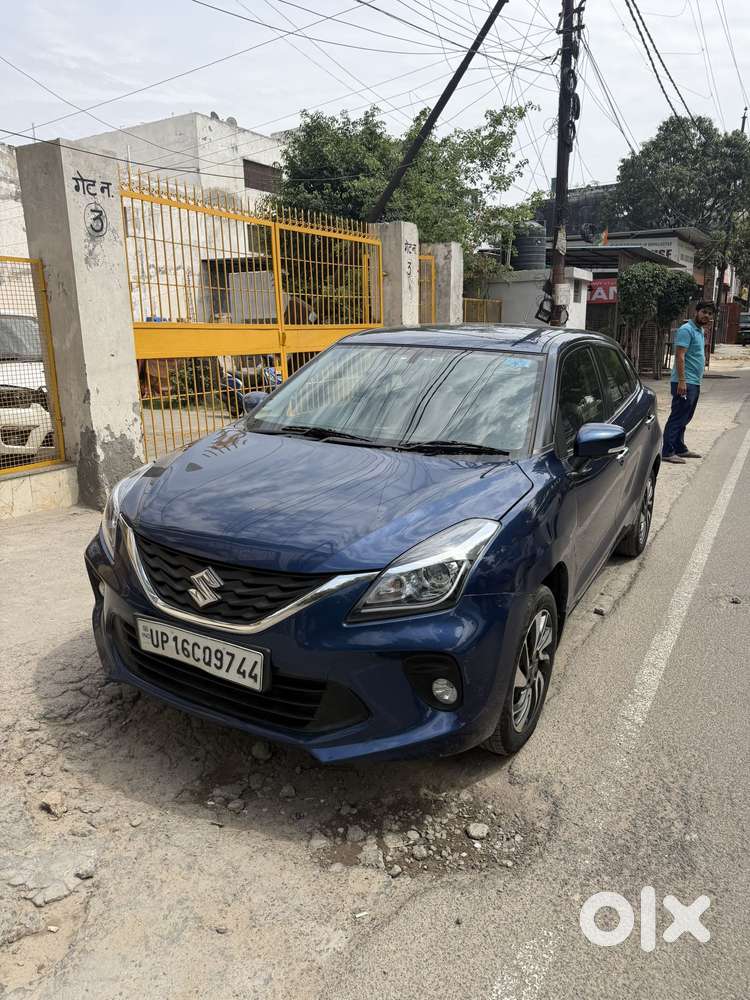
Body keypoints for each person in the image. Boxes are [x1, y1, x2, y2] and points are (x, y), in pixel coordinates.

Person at [661, 301, 715, 464]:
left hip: (694, 382)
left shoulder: (699, 330)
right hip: (684, 382)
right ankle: (667, 451)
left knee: (685, 416)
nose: (706, 315)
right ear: (696, 311)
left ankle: (679, 448)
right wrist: (682, 381)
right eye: (704, 312)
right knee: (677, 416)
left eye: (710, 314)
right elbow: (680, 356)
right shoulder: (686, 330)